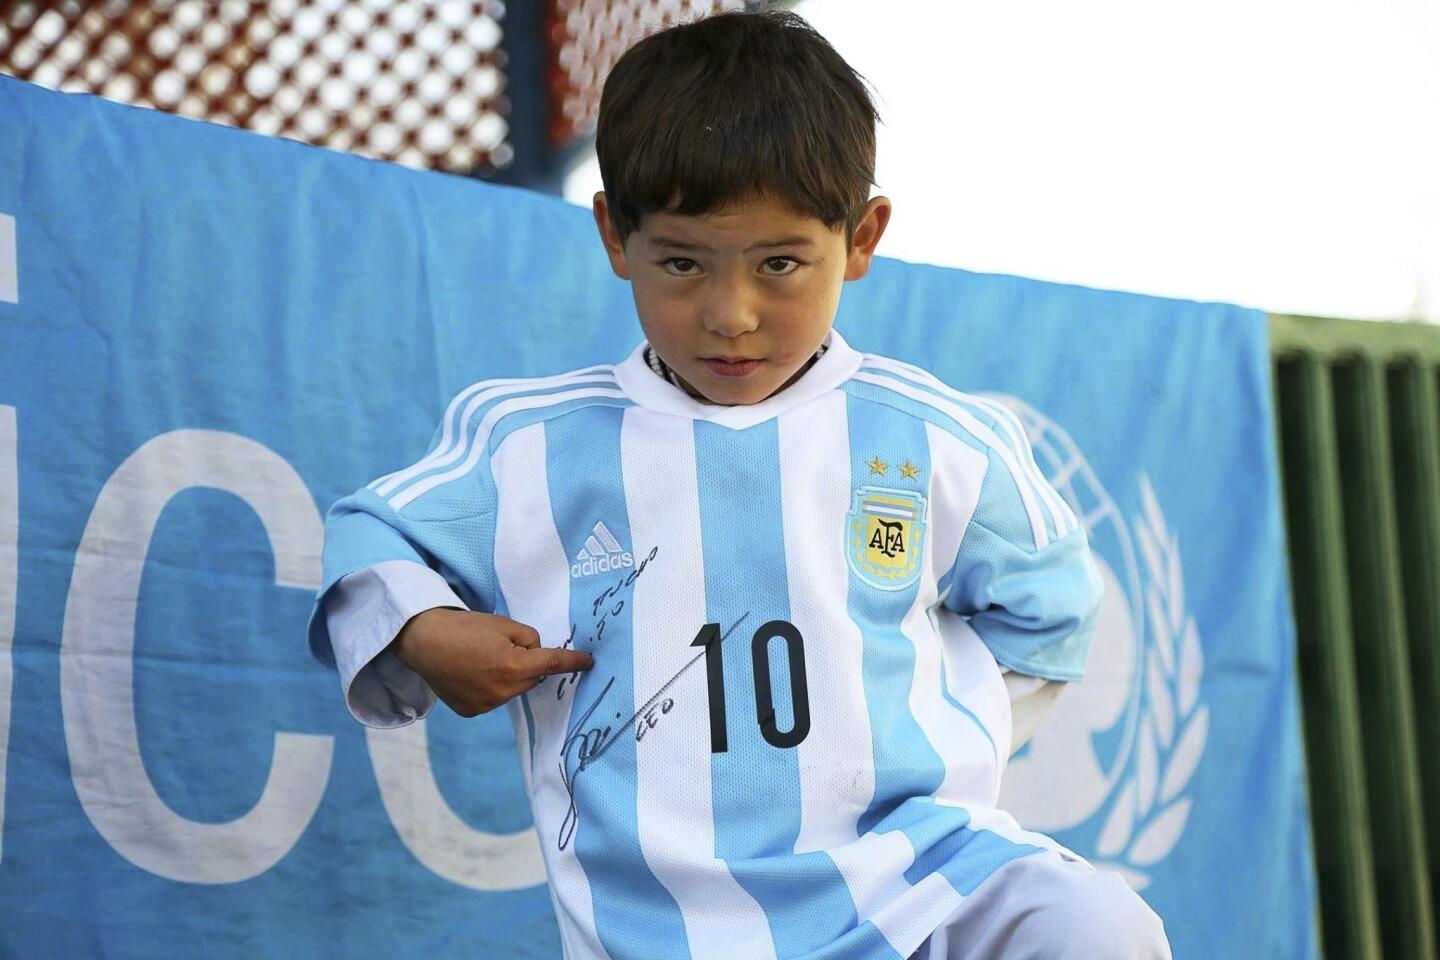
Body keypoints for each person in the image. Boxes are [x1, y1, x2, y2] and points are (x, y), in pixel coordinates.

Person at [308, 10, 1172, 960]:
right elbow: (370, 534)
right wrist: (427, 631)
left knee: (1098, 926)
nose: (730, 314)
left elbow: (1052, 606)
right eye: (681, 262)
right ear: (612, 234)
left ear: (863, 236)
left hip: (917, 887)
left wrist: (918, 722)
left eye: (781, 263)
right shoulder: (529, 442)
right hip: (660, 930)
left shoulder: (934, 439)